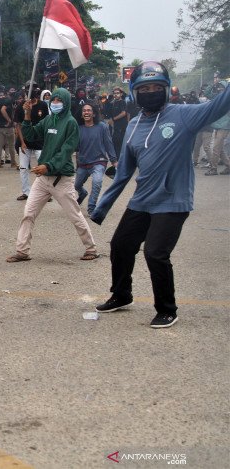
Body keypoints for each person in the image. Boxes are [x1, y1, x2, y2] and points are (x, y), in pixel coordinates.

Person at [91, 62, 230, 328]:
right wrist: (101, 207)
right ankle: (121, 295)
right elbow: (123, 173)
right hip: (142, 200)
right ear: (135, 92)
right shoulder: (133, 126)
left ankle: (167, 309)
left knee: (155, 253)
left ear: (166, 90)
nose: (151, 92)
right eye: (145, 88)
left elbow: (219, 105)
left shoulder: (184, 116)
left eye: (157, 87)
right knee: (121, 245)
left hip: (173, 200)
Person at [6, 88, 98, 263]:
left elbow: (65, 152)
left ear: (66, 102)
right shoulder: (48, 120)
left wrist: (48, 166)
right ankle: (22, 251)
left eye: (58, 100)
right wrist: (27, 114)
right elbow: (31, 134)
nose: (55, 102)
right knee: (28, 213)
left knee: (75, 215)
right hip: (43, 179)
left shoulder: (70, 123)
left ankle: (91, 248)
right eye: (53, 100)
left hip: (61, 179)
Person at [74, 103, 117, 217]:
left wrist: (114, 160)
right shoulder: (79, 128)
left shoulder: (102, 126)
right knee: (76, 185)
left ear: (93, 113)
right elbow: (75, 147)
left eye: (89, 110)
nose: (86, 112)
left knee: (97, 182)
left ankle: (91, 208)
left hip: (99, 161)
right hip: (83, 163)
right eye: (84, 111)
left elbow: (108, 143)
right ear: (82, 114)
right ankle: (82, 194)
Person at [14, 87, 49, 200]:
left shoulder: (43, 105)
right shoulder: (21, 107)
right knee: (23, 168)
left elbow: (46, 123)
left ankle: (46, 192)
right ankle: (26, 192)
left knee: (43, 166)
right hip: (25, 142)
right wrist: (22, 142)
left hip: (39, 141)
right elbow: (18, 126)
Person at [204, 110, 230, 176]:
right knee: (220, 150)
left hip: (224, 127)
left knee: (216, 148)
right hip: (218, 126)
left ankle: (213, 169)